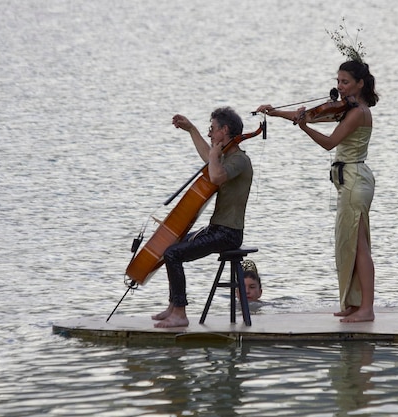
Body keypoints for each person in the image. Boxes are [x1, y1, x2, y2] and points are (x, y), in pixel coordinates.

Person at [255, 59, 378, 322]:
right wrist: (276, 113)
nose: (339, 87)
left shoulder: (358, 112)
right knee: (348, 245)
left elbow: (329, 142)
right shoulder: (349, 109)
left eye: (345, 82)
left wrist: (305, 128)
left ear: (360, 83)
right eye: (338, 81)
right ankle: (353, 303)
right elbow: (311, 114)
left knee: (358, 245)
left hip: (355, 181)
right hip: (351, 180)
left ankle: (366, 308)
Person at [152, 107, 253, 328]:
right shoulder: (226, 156)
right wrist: (191, 130)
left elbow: (215, 175)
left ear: (224, 130)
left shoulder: (239, 161)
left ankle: (180, 313)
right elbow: (210, 158)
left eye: (212, 129)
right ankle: (173, 306)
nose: (210, 134)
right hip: (217, 228)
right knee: (172, 245)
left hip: (228, 233)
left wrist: (214, 156)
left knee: (173, 254)